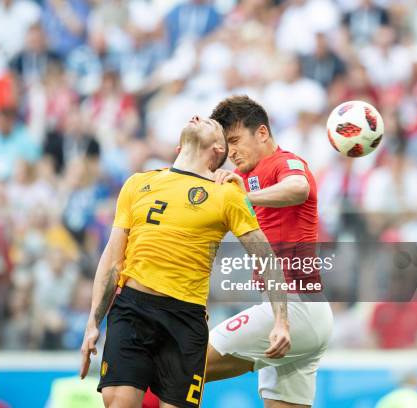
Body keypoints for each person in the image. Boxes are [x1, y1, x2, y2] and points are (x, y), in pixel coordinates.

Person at [80, 115, 291, 408]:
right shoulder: (138, 183)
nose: (197, 117)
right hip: (132, 310)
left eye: (210, 124)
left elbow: (266, 257)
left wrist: (281, 320)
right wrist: (92, 322)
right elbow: (112, 260)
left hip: (184, 318)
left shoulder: (227, 193)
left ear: (219, 149)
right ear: (180, 146)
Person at [206, 95, 333, 408]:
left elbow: (298, 188)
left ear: (261, 133)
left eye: (235, 140)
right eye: (226, 145)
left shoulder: (285, 162)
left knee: (183, 364)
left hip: (297, 307)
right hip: (294, 312)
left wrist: (245, 198)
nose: (231, 152)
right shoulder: (244, 179)